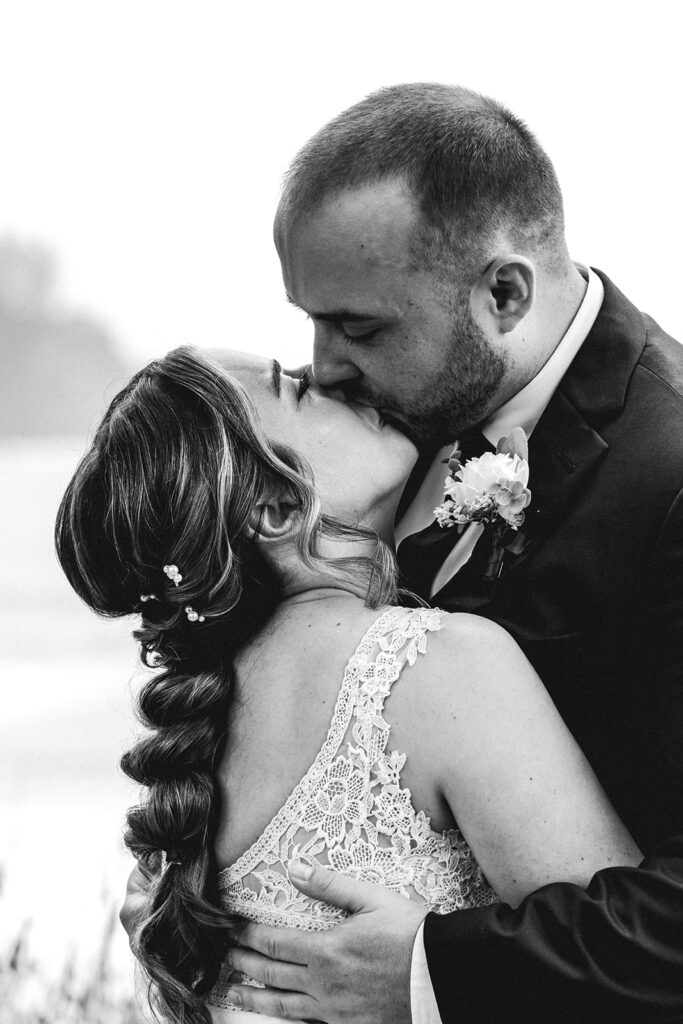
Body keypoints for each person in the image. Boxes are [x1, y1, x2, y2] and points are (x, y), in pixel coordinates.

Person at [221, 84, 683, 1023]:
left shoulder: (669, 480)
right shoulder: (383, 440)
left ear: (503, 292)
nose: (322, 364)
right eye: (310, 320)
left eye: (358, 327)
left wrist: (434, 974)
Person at [56, 345, 641, 1024]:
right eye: (300, 392)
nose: (334, 377)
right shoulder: (436, 667)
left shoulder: (197, 754)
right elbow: (629, 974)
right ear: (277, 507)